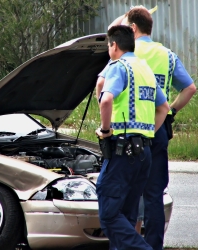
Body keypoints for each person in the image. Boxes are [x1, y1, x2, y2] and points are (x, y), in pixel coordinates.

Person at [98, 7, 196, 250]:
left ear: (131, 29)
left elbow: (103, 85)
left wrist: (105, 125)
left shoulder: (122, 57)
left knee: (121, 202)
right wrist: (171, 112)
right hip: (154, 131)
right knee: (153, 194)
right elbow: (190, 89)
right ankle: (154, 245)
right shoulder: (166, 55)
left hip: (125, 133)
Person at [95, 25, 170, 249]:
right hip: (144, 153)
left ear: (114, 46)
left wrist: (105, 130)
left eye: (109, 46)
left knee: (109, 215)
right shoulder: (145, 69)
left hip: (122, 151)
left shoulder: (119, 67)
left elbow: (106, 99)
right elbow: (164, 107)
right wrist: (146, 134)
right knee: (127, 217)